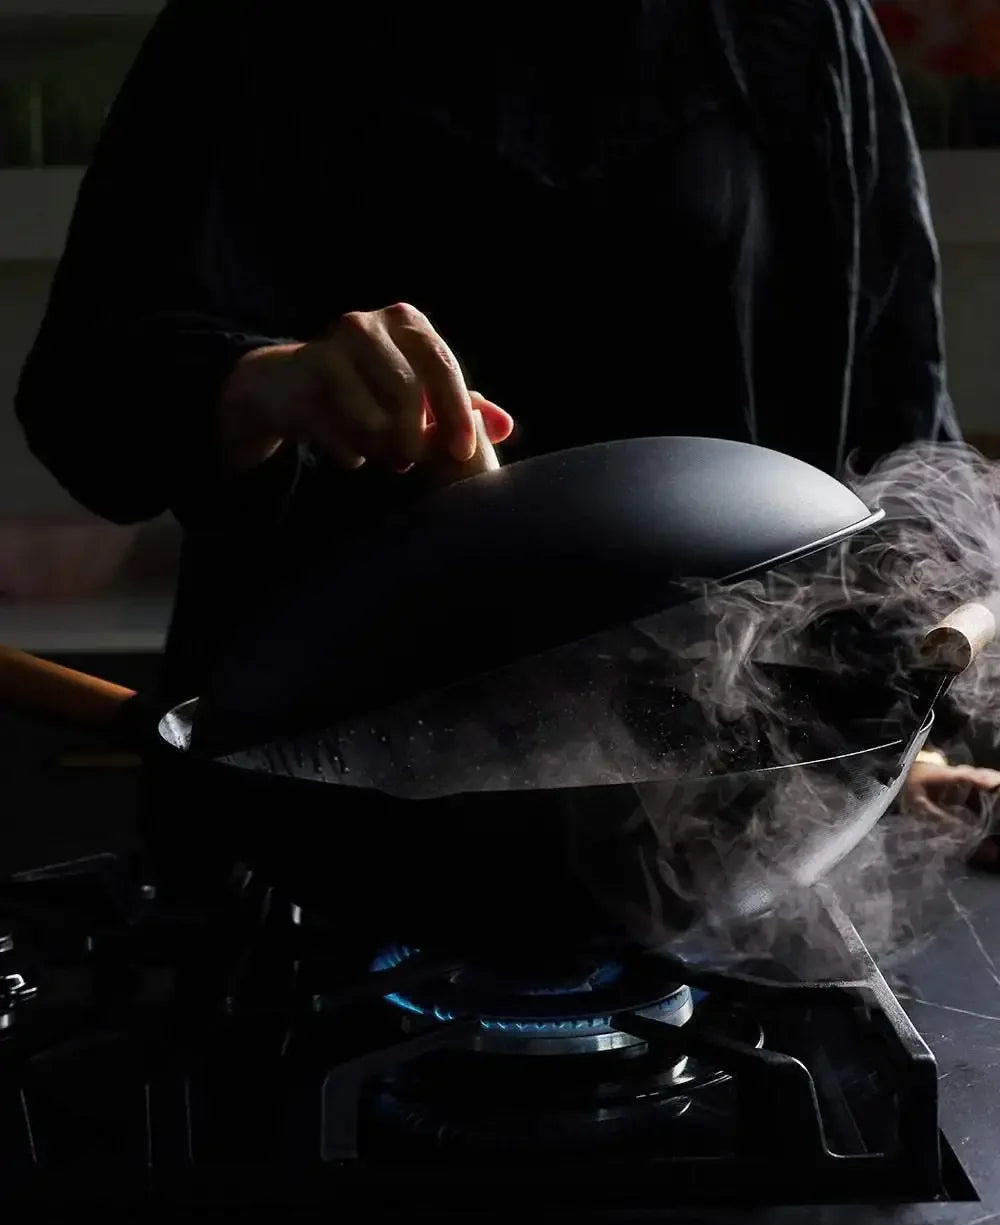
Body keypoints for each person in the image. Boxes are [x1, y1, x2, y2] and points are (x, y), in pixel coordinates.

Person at [12, 0, 996, 880]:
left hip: (715, 821)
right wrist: (265, 380)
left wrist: (885, 742)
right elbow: (87, 402)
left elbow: (904, 451)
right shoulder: (260, 21)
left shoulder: (804, 25)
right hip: (321, 802)